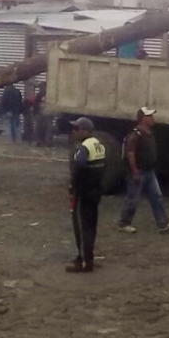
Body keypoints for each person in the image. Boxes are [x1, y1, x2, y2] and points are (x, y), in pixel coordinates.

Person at [117, 107, 169, 233]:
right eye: (149, 116)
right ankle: (124, 223)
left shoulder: (148, 133)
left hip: (149, 171)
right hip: (139, 171)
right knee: (133, 198)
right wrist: (134, 171)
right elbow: (130, 153)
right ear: (142, 118)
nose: (152, 119)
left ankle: (163, 223)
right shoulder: (136, 134)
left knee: (157, 197)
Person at [66, 117, 105, 273]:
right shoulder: (99, 144)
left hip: (83, 192)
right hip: (95, 191)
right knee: (91, 226)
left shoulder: (83, 148)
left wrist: (73, 186)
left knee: (82, 228)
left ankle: (84, 261)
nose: (73, 132)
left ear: (85, 130)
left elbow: (79, 167)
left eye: (76, 129)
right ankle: (87, 256)